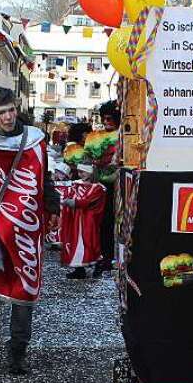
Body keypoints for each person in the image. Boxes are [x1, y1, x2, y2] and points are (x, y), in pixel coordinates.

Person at [0, 88, 60, 374]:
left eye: (10, 110)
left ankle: (17, 352)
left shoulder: (35, 139)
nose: (7, 117)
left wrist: (53, 207)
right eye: (0, 113)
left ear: (16, 107)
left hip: (26, 226)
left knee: (25, 286)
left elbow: (44, 177)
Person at [88, 101, 120, 276]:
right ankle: (106, 255)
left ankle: (113, 256)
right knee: (103, 222)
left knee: (115, 221)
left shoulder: (123, 135)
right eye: (104, 118)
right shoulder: (96, 136)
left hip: (119, 184)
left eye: (110, 118)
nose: (106, 121)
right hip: (101, 185)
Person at [59, 162, 107, 279]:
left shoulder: (98, 188)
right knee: (75, 243)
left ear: (90, 172)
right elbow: (70, 194)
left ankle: (97, 265)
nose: (80, 174)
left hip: (88, 221)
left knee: (89, 243)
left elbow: (89, 201)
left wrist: (74, 202)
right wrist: (67, 200)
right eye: (79, 171)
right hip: (75, 219)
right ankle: (79, 269)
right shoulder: (76, 184)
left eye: (83, 171)